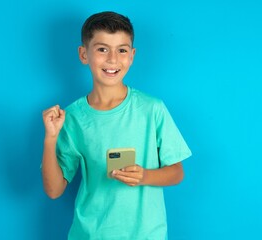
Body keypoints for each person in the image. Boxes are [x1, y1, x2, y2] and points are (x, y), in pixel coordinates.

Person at [41, 11, 192, 240]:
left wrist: (144, 176)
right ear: (84, 54)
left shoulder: (152, 109)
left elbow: (177, 173)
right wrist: (50, 138)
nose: (112, 59)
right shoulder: (71, 117)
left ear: (132, 56)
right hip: (89, 234)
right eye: (102, 49)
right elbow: (54, 190)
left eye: (121, 50)